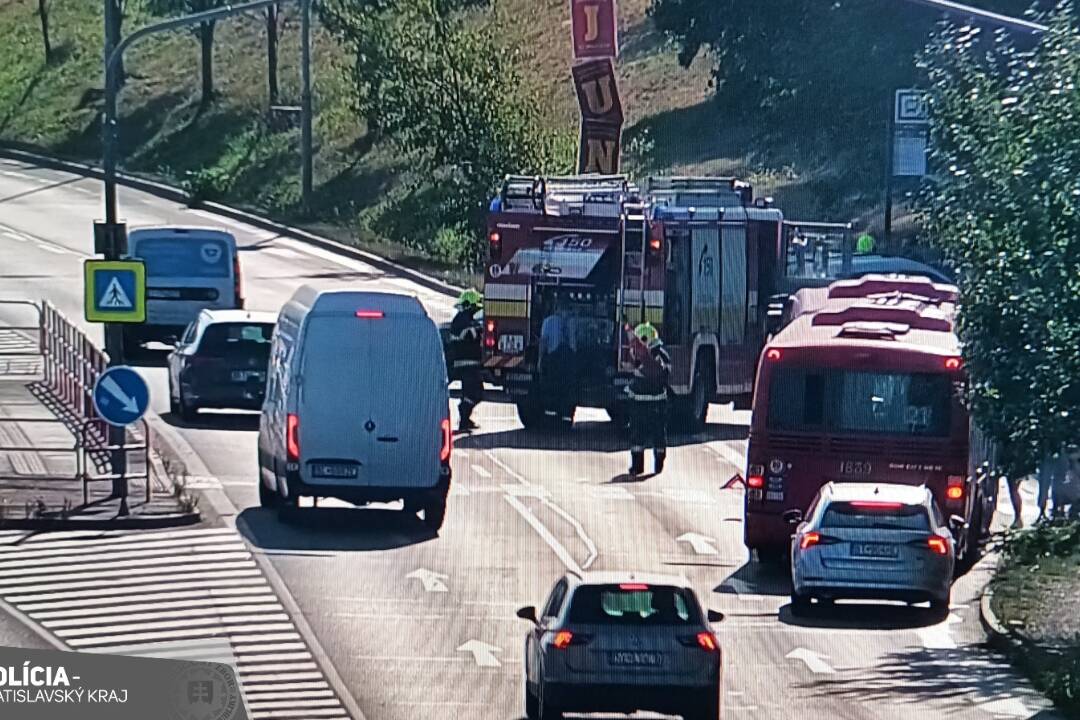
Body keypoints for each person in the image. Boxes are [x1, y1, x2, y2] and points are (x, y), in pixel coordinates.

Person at [624, 322, 671, 477]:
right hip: (656, 405)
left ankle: (639, 467)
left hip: (643, 406)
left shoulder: (654, 357)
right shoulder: (660, 355)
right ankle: (656, 463)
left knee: (639, 435)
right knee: (656, 435)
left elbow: (660, 374)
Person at [449, 288, 484, 432]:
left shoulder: (463, 318)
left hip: (467, 362)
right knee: (475, 393)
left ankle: (465, 419)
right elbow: (469, 334)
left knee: (470, 392)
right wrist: (480, 330)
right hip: (467, 362)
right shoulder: (462, 320)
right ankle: (463, 418)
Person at [1036, 447, 1069, 521]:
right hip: (1056, 451)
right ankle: (1057, 510)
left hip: (1048, 452)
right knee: (1057, 483)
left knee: (1046, 484)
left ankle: (1046, 511)